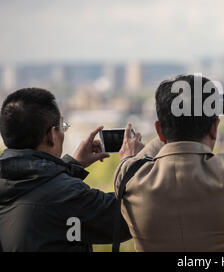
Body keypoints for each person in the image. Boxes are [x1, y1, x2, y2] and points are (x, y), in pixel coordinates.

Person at [114, 74, 224, 251]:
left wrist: (171, 128)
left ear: (159, 131)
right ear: (214, 128)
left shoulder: (129, 180)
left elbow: (130, 164)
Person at [0, 88, 143, 251]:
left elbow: (40, 190)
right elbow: (130, 217)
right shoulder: (66, 195)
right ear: (51, 136)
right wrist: (131, 163)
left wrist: (72, 166)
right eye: (63, 127)